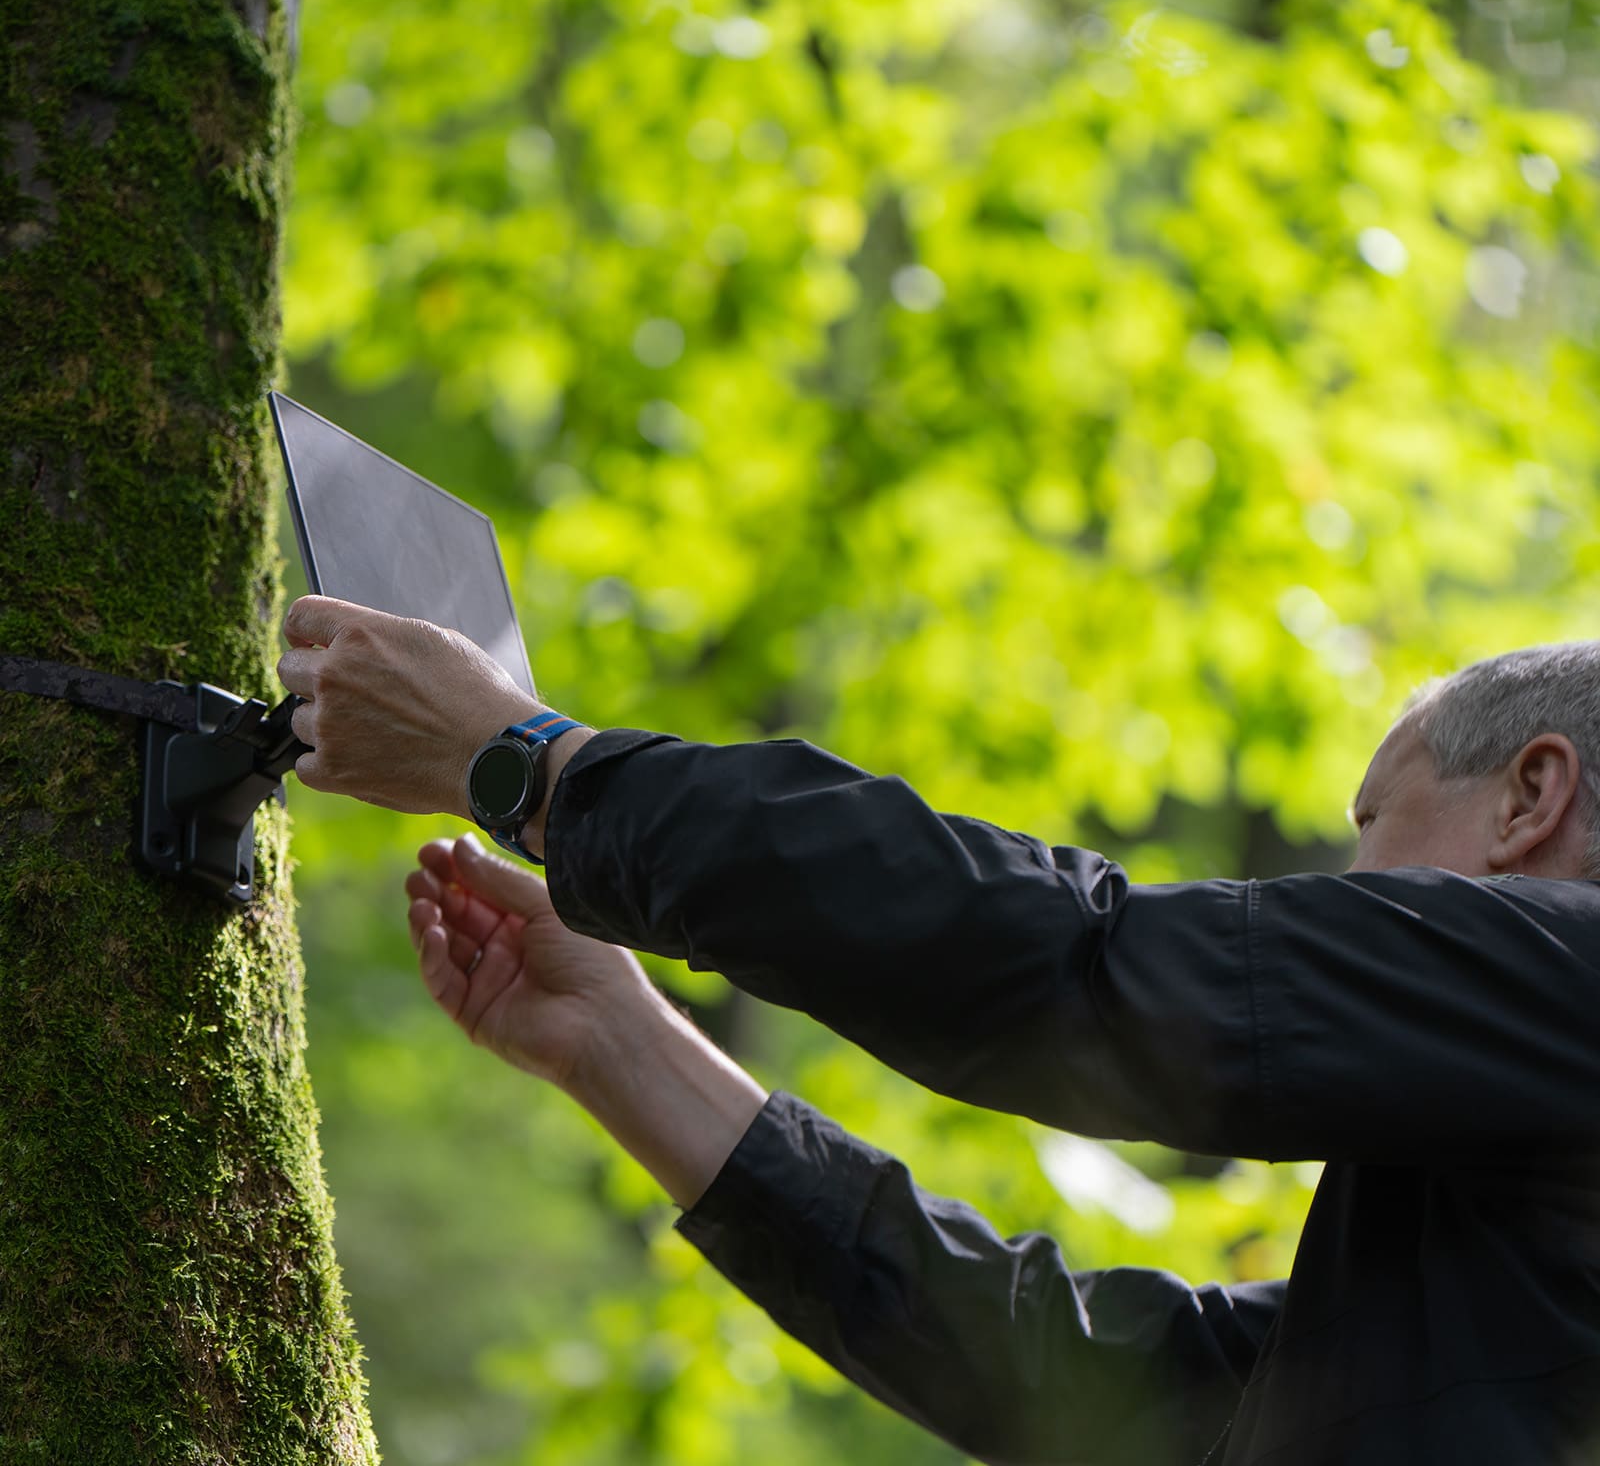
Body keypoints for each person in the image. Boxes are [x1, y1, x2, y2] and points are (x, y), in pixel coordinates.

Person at [277, 600, 1600, 1466]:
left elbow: (1074, 959)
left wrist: (536, 769)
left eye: (1375, 822)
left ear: (1528, 796)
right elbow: (1077, 1376)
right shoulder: (1485, 1233)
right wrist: (625, 1044)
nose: (1348, 878)